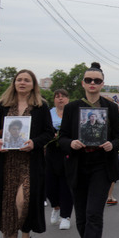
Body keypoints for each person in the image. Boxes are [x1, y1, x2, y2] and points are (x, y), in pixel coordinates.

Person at [59, 62, 119, 238]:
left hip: (101, 166)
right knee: (81, 218)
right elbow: (62, 138)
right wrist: (72, 143)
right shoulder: (72, 108)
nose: (93, 83)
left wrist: (111, 145)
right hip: (78, 165)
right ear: (83, 83)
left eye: (97, 80)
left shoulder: (111, 108)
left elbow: (118, 138)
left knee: (93, 213)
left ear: (102, 83)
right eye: (89, 80)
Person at [0, 69, 54, 238]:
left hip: (30, 163)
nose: (22, 83)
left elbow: (49, 133)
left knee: (23, 200)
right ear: (14, 83)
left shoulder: (41, 107)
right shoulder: (4, 105)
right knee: (8, 203)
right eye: (19, 80)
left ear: (33, 84)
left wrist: (34, 143)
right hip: (8, 162)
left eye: (27, 80)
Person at [45, 89, 74, 230]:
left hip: (67, 150)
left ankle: (65, 216)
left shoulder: (72, 113)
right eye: (57, 97)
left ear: (68, 99)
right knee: (49, 184)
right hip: (51, 151)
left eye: (63, 96)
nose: (60, 99)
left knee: (65, 185)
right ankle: (56, 206)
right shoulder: (48, 113)